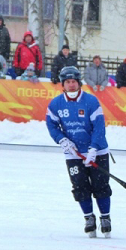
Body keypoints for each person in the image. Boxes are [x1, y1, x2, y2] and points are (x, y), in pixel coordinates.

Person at [46, 66, 113, 238]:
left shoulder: (91, 102)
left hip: (97, 152)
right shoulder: (56, 104)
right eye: (67, 82)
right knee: (80, 186)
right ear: (63, 84)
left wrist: (93, 148)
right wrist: (62, 140)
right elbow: (52, 125)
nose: (71, 85)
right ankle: (88, 218)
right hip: (73, 154)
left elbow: (99, 128)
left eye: (73, 82)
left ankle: (105, 218)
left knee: (101, 186)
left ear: (78, 83)